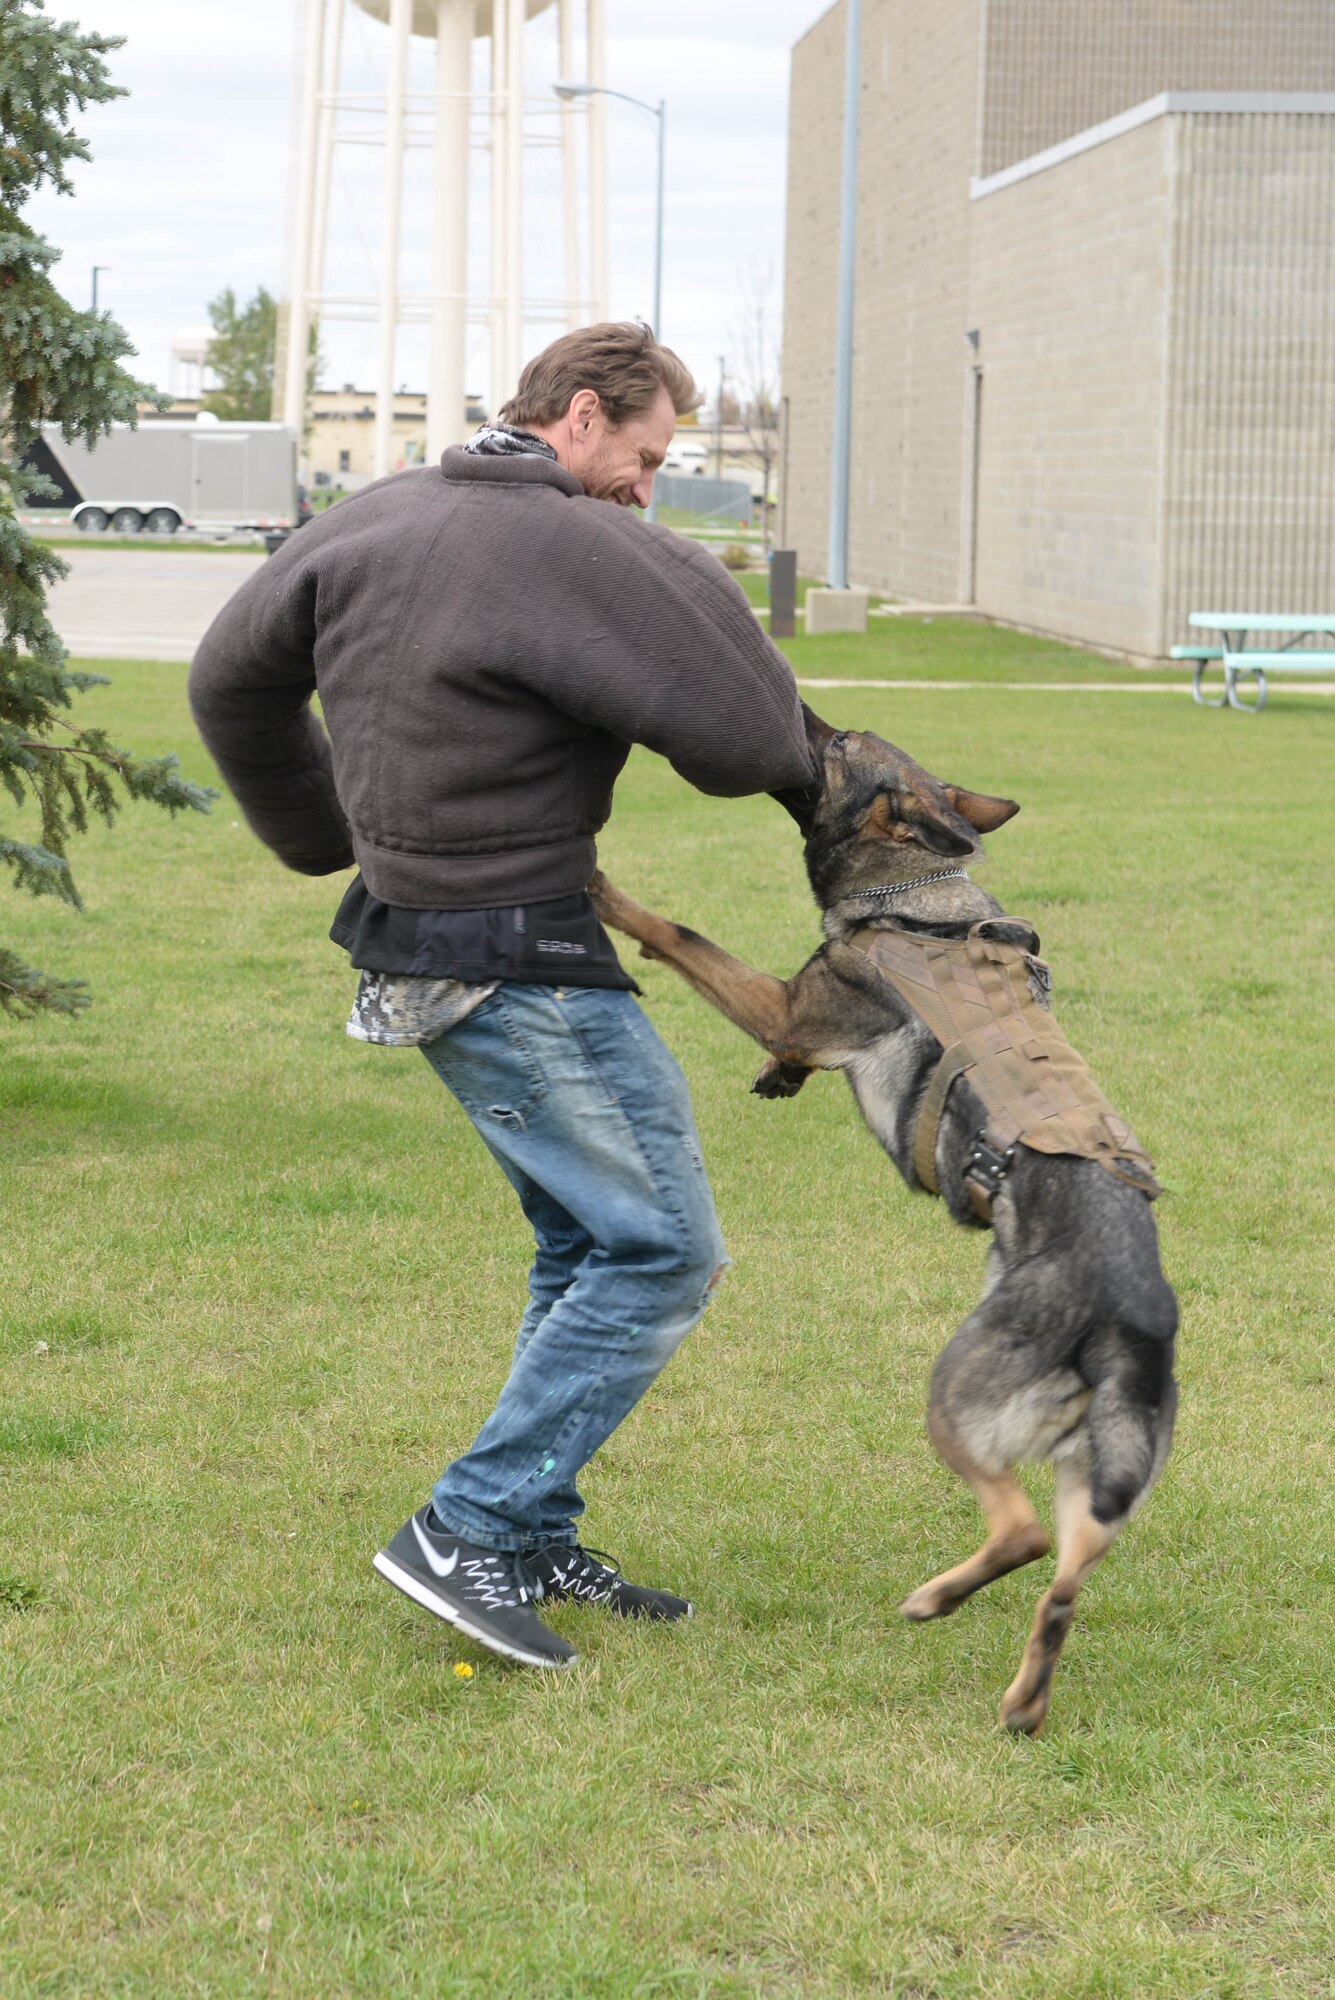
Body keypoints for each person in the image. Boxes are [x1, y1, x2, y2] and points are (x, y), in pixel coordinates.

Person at [189, 322, 817, 1670]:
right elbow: (753, 741)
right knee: (659, 1250)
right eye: (647, 458)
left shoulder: (373, 514)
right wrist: (667, 563)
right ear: (582, 417)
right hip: (513, 955)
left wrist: (319, 835)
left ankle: (526, 1530)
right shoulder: (579, 546)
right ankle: (466, 1526)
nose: (652, 487)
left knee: (587, 1245)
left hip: (422, 940)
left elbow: (225, 675)